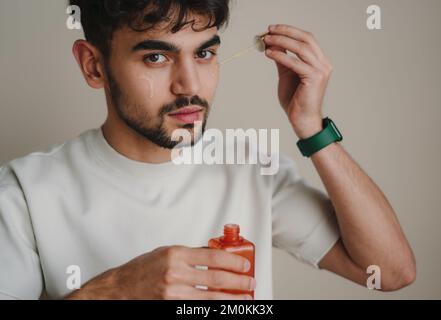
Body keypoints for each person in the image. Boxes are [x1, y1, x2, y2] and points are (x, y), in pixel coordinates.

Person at [0, 0, 415, 300]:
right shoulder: (25, 191)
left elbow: (388, 272)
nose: (190, 85)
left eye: (204, 53)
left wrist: (311, 127)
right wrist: (114, 293)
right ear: (94, 66)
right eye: (157, 57)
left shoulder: (249, 168)